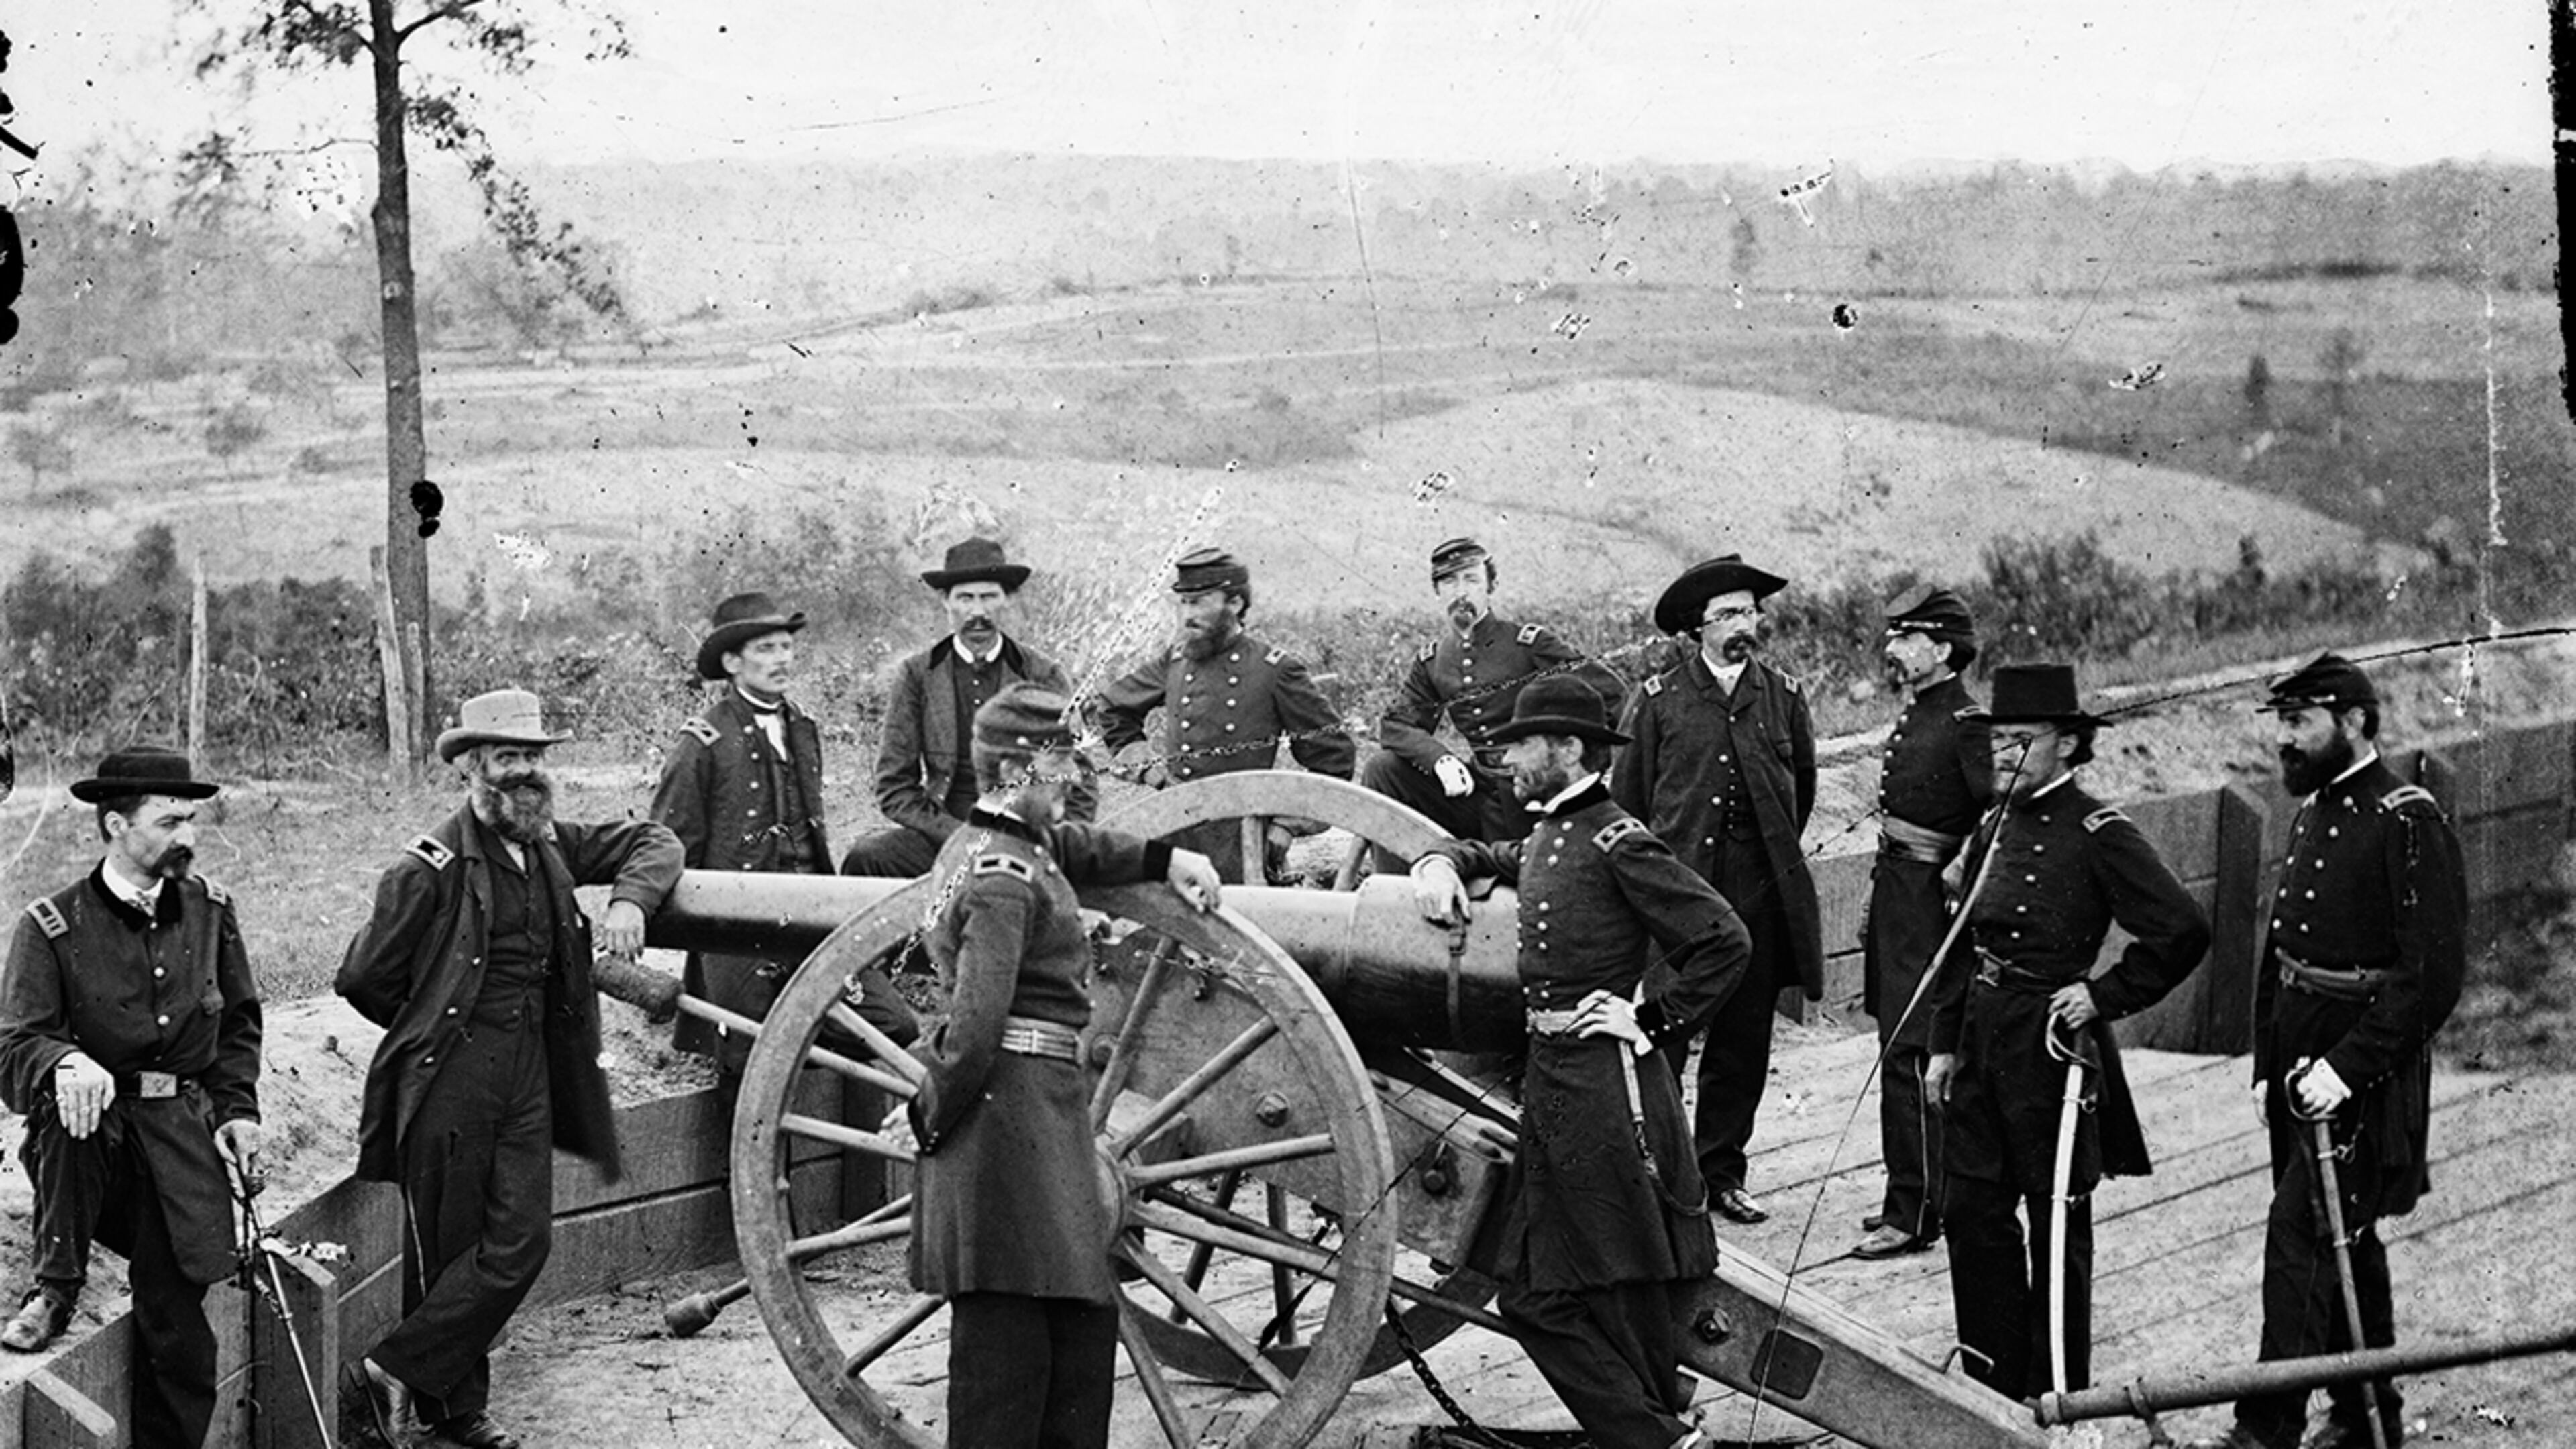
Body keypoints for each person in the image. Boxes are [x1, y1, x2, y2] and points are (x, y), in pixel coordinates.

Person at [337, 689, 684, 1449]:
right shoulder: (427, 867)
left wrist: (631, 902)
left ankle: (394, 1369)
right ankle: (454, 1413)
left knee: (523, 1242)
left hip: (530, 1071)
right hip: (450, 1076)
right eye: (508, 758)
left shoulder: (552, 840)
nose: (526, 773)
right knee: (451, 1245)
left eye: (534, 758)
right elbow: (362, 978)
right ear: (472, 769)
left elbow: (656, 839)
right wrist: (435, 1016)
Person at [1411, 675, 1751, 1449]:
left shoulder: (1617, 839)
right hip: (1557, 1083)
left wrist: (1649, 1018)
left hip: (1606, 1091)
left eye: (1522, 746)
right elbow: (1481, 849)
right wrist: (1437, 863)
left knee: (1604, 1288)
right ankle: (1655, 1430)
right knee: (1543, 1287)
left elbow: (1723, 938)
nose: (1507, 759)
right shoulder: (1548, 835)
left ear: (1568, 748)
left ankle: (1655, 1435)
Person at [892, 684, 1223, 1449]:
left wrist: (1167, 856)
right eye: (1060, 763)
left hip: (1037, 1116)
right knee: (1007, 1352)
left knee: (1079, 1323)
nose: (1072, 778)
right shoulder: (1002, 879)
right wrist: (925, 1109)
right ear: (1017, 768)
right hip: (1005, 1127)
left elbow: (1074, 848)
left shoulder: (1005, 843)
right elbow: (975, 1027)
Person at [2184, 654, 2465, 1449]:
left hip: (2364, 1066)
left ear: (2355, 723)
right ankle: (2368, 1417)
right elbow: (2283, 947)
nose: (2286, 740)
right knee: (2343, 1233)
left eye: (2301, 722)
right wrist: (2269, 1062)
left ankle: (2264, 1430)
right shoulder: (2314, 809)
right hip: (2301, 1060)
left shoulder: (2407, 819)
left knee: (2301, 1233)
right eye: (2282, 722)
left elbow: (2432, 979)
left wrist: (2344, 1070)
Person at [1924, 663, 2211, 1403]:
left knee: (2055, 1225)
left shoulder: (2099, 831)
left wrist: (2104, 994)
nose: (2005, 754)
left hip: (2048, 1047)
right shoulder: (1992, 824)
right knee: (1972, 1213)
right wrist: (1945, 1043)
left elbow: (2181, 929)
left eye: (2022, 739)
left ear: (2069, 744)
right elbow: (1963, 942)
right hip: (1982, 1038)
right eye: (1997, 740)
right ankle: (1991, 1394)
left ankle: (2055, 1400)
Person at [0, 747, 262, 1446]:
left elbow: (237, 1027)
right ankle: (54, 1287)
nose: (189, 836)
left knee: (181, 1342)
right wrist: (65, 1059)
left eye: (192, 820)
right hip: (93, 1161)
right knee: (70, 1099)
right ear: (116, 823)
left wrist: (238, 1112)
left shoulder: (210, 913)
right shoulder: (51, 928)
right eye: (170, 820)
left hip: (181, 1149)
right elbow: (13, 1046)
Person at [1612, 553, 1822, 1224]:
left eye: (1750, 611)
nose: (1744, 625)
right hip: (1681, 904)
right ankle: (1660, 1176)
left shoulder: (1784, 699)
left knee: (1743, 1040)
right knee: (1665, 1036)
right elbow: (1628, 805)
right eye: (1728, 614)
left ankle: (1721, 1173)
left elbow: (1803, 796)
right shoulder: (1656, 701)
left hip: (1757, 895)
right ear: (1695, 628)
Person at [651, 591, 914, 1104]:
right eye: (766, 649)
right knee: (748, 1055)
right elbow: (668, 844)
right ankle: (749, 1176)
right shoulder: (700, 742)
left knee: (889, 1024)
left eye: (786, 648)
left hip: (810, 917)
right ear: (732, 662)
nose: (782, 660)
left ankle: (845, 1172)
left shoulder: (803, 728)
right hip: (733, 926)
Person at [1855, 584, 1992, 1259]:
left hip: (1928, 906)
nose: (1891, 648)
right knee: (1896, 1046)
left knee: (1913, 1051)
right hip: (1897, 894)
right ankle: (1908, 1194)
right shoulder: (1922, 713)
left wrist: (1959, 865)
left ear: (1940, 651)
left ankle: (1915, 1213)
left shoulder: (1967, 722)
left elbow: (1997, 813)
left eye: (1905, 639)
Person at [1090, 546, 1356, 881]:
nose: (1187, 615)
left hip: (1240, 838)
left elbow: (1336, 757)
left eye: (1200, 601)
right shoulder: (1176, 660)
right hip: (1174, 823)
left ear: (1235, 603)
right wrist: (1150, 770)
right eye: (1184, 602)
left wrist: (1286, 824)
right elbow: (1114, 708)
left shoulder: (1274, 669)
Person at [1362, 535, 1625, 871]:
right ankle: (1396, 892)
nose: (1461, 591)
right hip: (1474, 792)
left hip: (1533, 790)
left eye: (1471, 579)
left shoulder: (1527, 644)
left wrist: (1588, 765)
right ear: (1437, 592)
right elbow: (1397, 724)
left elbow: (1613, 696)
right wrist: (1440, 760)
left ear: (1491, 586)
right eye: (1449, 581)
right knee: (1382, 768)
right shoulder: (1433, 659)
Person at [840, 537, 1088, 877]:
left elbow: (1078, 778)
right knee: (869, 856)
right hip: (944, 835)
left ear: (1008, 600)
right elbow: (894, 787)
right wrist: (960, 837)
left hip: (1025, 838)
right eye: (966, 599)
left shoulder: (1042, 674)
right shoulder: (917, 675)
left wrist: (1044, 840)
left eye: (989, 597)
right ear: (945, 601)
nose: (978, 613)